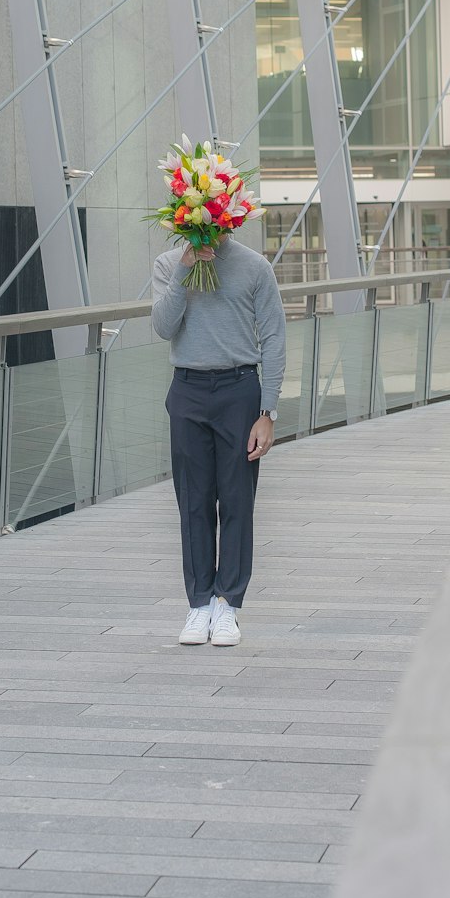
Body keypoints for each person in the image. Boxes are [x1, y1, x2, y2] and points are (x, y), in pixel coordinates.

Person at [151, 233, 286, 648]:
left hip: (239, 390)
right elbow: (162, 326)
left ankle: (228, 605)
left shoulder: (255, 266)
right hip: (187, 388)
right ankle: (199, 604)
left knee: (236, 501)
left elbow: (274, 338)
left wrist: (267, 413)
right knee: (192, 500)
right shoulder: (168, 263)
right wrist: (185, 269)